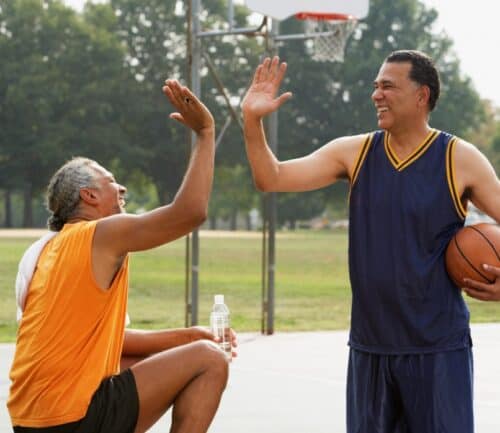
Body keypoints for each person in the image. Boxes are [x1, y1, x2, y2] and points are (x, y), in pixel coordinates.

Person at [241, 51, 500, 433]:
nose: (376, 95)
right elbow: (273, 177)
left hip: (438, 348)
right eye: (375, 86)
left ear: (421, 96)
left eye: (388, 86)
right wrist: (251, 120)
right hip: (370, 346)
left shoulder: (459, 158)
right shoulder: (355, 152)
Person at [8, 79, 236, 433]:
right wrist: (206, 133)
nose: (122, 188)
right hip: (71, 420)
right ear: (89, 196)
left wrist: (190, 335)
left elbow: (118, 344)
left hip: (30, 422)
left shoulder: (47, 251)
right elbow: (190, 213)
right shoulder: (101, 234)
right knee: (210, 360)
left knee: (135, 359)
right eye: (111, 181)